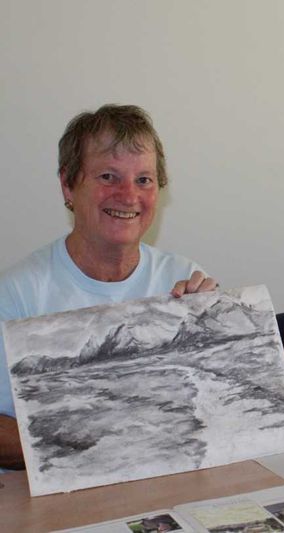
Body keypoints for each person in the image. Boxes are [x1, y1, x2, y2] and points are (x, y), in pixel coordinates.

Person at [0, 104, 217, 470]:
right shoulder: (17, 294)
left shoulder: (184, 280)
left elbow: (213, 413)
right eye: (107, 177)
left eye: (143, 180)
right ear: (68, 185)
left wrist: (212, 338)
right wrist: (103, 444)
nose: (128, 195)